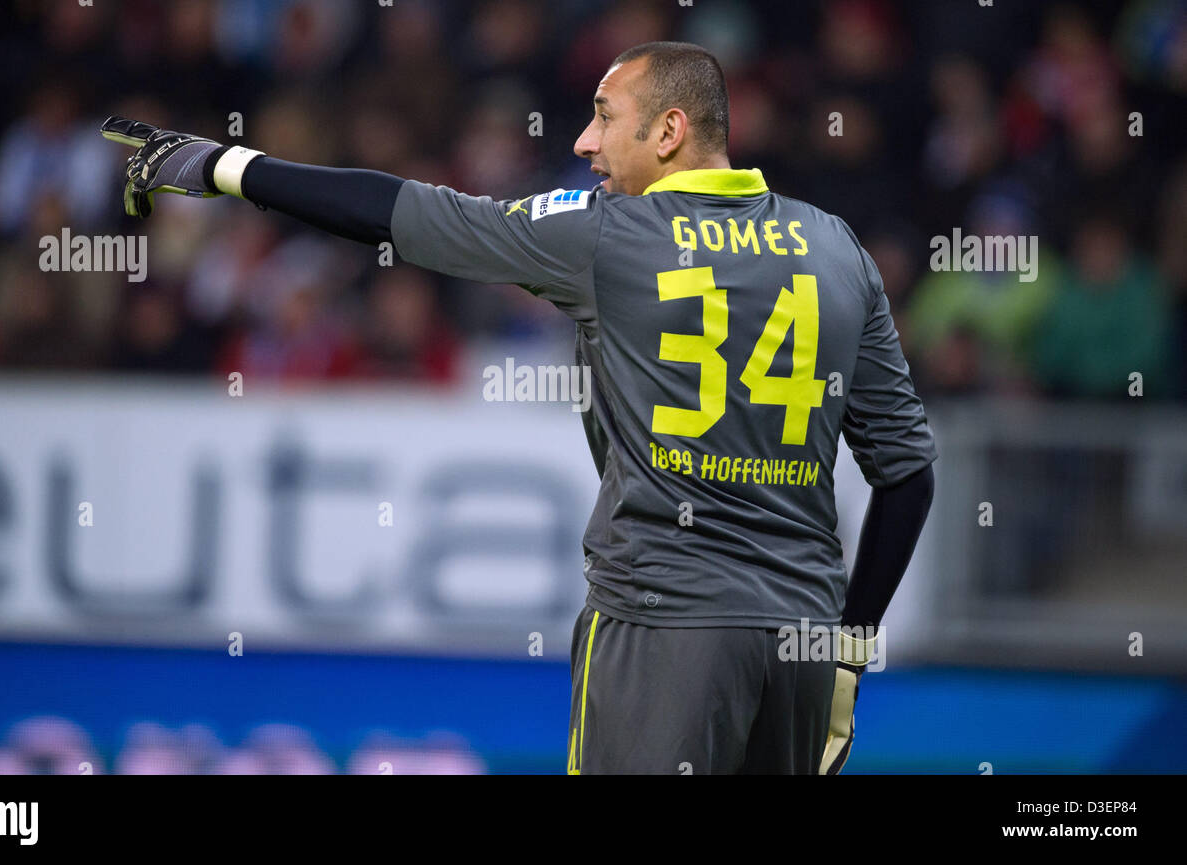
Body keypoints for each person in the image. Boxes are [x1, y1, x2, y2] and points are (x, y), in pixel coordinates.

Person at [100, 41, 936, 775]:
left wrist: (219, 165)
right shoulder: (835, 246)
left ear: (671, 131)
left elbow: (401, 213)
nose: (583, 142)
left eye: (605, 118)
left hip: (662, 627)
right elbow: (907, 474)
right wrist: (848, 650)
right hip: (799, 646)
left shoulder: (606, 233)